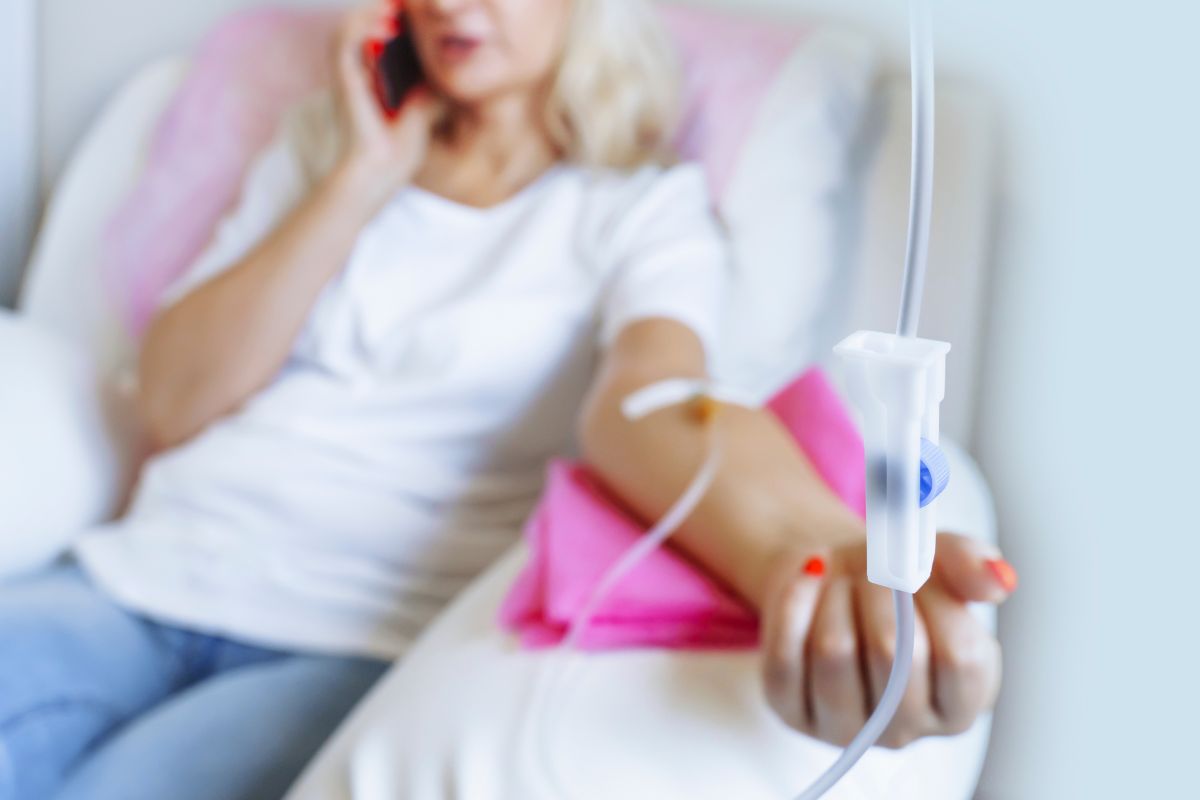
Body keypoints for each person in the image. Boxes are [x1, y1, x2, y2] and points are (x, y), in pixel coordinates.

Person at [0, 1, 1016, 798]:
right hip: (133, 579)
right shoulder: (322, 157)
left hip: (342, 632)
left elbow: (659, 402)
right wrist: (363, 173)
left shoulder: (634, 212)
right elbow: (174, 401)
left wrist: (807, 543)